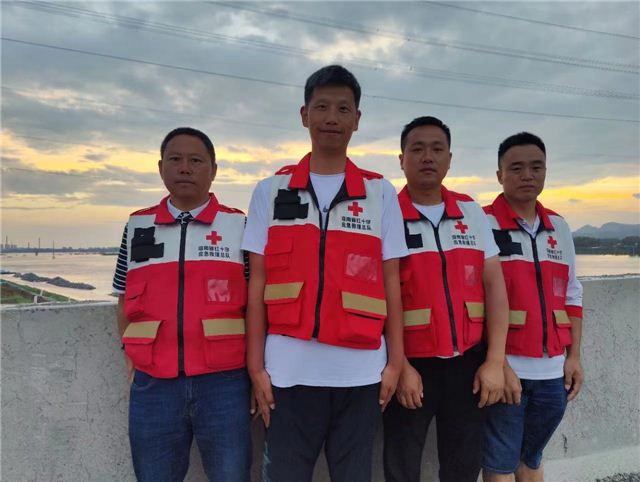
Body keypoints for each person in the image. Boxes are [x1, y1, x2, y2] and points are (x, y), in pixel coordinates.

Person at [242, 65, 408, 482]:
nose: (332, 117)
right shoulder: (270, 191)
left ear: (357, 119)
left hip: (362, 375)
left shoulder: (380, 192)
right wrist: (256, 368)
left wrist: (395, 362)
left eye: (343, 108)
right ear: (304, 115)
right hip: (287, 374)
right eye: (321, 107)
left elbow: (391, 281)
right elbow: (257, 283)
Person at [112, 127, 251, 482]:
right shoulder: (138, 225)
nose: (185, 168)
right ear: (161, 168)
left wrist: (255, 371)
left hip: (225, 383)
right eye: (175, 159)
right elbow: (123, 295)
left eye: (196, 160)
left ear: (213, 170)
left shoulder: (238, 225)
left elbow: (255, 302)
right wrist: (130, 351)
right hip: (153, 384)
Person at [382, 116, 509, 482]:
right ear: (402, 159)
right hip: (412, 366)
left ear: (449, 159)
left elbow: (494, 287)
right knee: (402, 467)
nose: (428, 157)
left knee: (463, 467)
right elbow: (379, 296)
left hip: (468, 365)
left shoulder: (471, 212)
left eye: (437, 149)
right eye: (417, 149)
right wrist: (400, 365)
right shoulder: (387, 214)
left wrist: (495, 361)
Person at [482, 132, 584, 482]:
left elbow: (572, 295)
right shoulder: (483, 224)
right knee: (500, 463)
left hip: (553, 374)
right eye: (516, 168)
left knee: (532, 457)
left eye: (536, 167)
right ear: (499, 175)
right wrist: (499, 364)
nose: (527, 175)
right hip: (507, 369)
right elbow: (476, 302)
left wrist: (574, 357)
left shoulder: (559, 227)